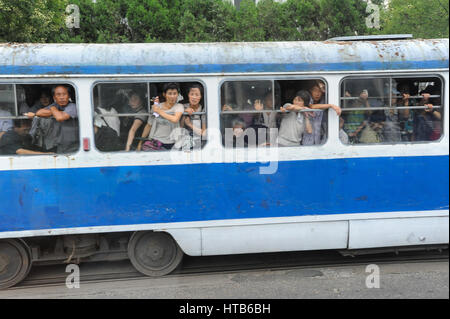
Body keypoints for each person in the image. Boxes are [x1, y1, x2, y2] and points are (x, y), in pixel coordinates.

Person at [138, 83, 184, 151]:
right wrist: (140, 143)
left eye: (175, 93)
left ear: (178, 95)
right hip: (155, 142)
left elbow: (175, 119)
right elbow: (149, 125)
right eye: (170, 93)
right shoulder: (157, 107)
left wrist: (159, 111)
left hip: (171, 143)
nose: (172, 96)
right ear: (164, 94)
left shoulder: (179, 106)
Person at [35, 85, 79, 153]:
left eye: (64, 94)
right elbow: (39, 113)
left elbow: (59, 118)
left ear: (69, 96)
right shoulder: (56, 106)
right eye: (58, 95)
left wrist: (53, 109)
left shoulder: (73, 106)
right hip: (60, 146)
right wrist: (56, 111)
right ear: (54, 97)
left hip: (74, 147)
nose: (61, 97)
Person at [302, 81, 341, 145]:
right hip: (306, 137)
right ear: (310, 91)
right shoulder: (307, 99)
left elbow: (332, 94)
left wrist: (324, 89)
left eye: (320, 91)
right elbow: (311, 106)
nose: (317, 94)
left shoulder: (323, 100)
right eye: (315, 90)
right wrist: (331, 105)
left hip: (318, 138)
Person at [180, 84, 206, 148]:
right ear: (188, 95)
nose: (194, 97)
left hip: (199, 142)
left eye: (197, 95)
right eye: (192, 94)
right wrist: (184, 113)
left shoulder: (203, 110)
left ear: (201, 96)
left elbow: (204, 133)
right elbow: (180, 129)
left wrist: (190, 125)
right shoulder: (182, 106)